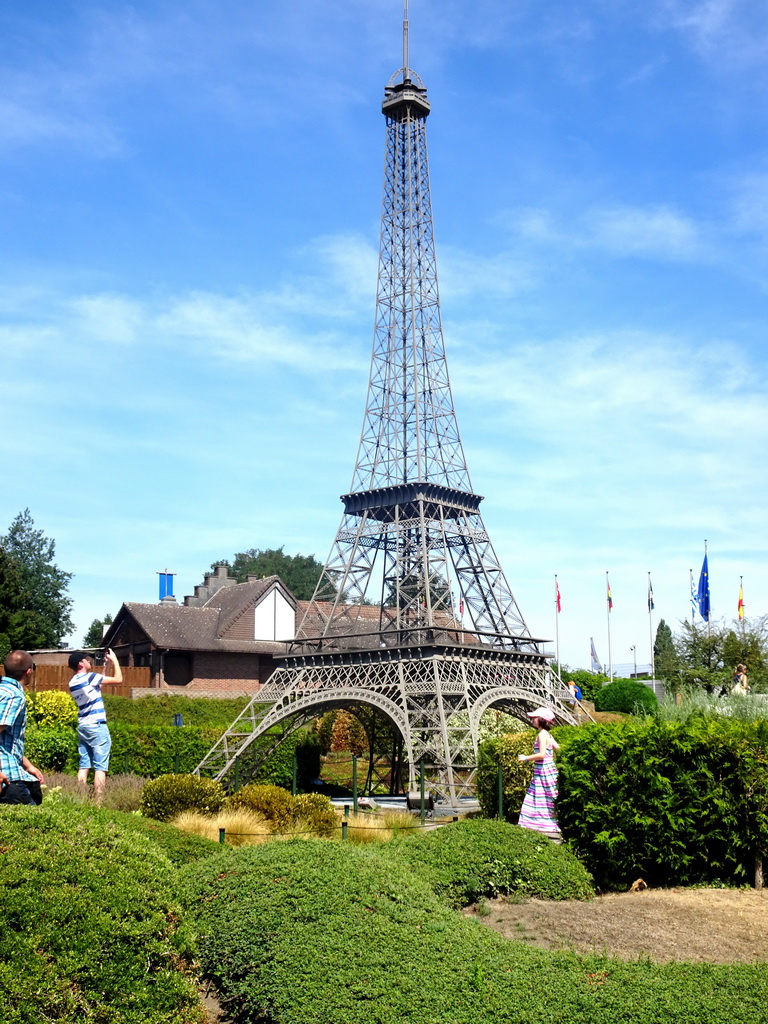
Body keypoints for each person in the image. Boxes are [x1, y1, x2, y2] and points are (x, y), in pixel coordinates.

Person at [68, 648, 122, 801]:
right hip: (97, 727)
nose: (89, 661)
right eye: (86, 659)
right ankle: (98, 804)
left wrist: (107, 666)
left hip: (84, 726)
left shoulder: (73, 682)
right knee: (100, 767)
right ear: (81, 663)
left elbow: (98, 685)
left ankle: (80, 800)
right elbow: (118, 680)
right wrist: (116, 660)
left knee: (84, 765)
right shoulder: (89, 677)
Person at [0, 649, 45, 805]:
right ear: (28, 672)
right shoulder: (14, 696)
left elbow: (6, 739)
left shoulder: (3, 691)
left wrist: (28, 765)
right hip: (7, 776)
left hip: (12, 769)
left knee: (35, 795)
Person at [517, 706, 561, 842]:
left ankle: (537, 824)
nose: (532, 720)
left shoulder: (542, 735)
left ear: (541, 720)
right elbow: (558, 748)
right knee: (548, 798)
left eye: (534, 718)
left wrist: (525, 757)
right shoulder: (548, 734)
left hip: (543, 772)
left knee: (538, 797)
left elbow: (541, 755)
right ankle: (547, 823)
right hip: (549, 770)